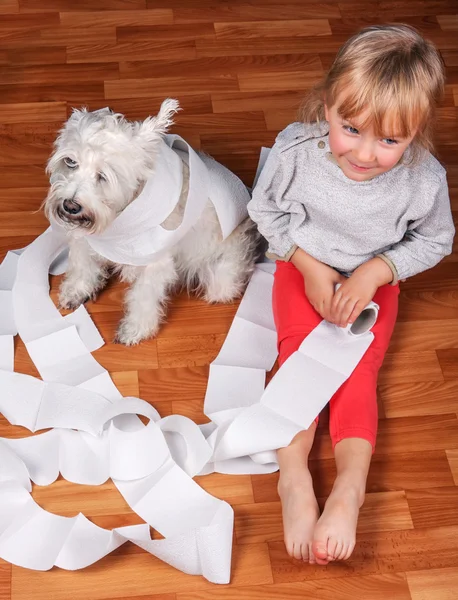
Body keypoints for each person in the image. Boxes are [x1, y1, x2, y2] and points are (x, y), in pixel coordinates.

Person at [247, 24, 455, 566]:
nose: (365, 153)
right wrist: (308, 266)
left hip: (373, 281)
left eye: (390, 140)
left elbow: (435, 240)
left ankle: (350, 490)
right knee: (297, 360)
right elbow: (263, 212)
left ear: (417, 132)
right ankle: (293, 479)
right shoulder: (296, 150)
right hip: (303, 266)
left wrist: (376, 273)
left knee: (356, 373)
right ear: (326, 105)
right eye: (350, 128)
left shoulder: (424, 180)